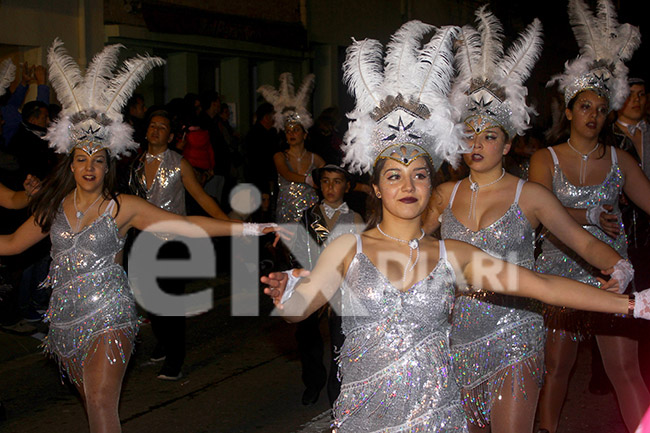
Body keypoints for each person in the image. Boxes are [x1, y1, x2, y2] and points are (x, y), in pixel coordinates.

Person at [262, 22, 650, 433]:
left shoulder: (453, 257)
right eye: (394, 176)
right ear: (375, 186)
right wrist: (286, 295)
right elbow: (297, 310)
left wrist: (633, 305)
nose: (408, 185)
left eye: (418, 175)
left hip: (438, 417)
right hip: (365, 419)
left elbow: (545, 287)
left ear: (432, 183)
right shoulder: (346, 249)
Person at [0, 39, 279, 433]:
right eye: (82, 159)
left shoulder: (123, 206)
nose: (90, 167)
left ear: (107, 162)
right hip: (65, 321)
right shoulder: (53, 206)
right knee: (94, 407)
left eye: (98, 159)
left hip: (111, 316)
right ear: (71, 163)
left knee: (100, 402)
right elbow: (10, 244)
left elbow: (186, 225)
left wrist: (247, 227)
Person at [423, 8, 631, 433]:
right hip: (459, 337)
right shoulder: (443, 196)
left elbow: (582, 241)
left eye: (490, 135)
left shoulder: (530, 196)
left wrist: (618, 264)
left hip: (517, 331)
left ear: (508, 142)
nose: (477, 142)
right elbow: (403, 241)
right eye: (470, 134)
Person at [528, 2, 650, 431]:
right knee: (556, 369)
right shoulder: (546, 158)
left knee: (625, 368)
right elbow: (540, 210)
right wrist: (588, 211)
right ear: (570, 109)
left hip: (609, 272)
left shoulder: (620, 160)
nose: (593, 116)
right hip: (559, 270)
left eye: (601, 109)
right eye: (585, 107)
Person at [128, 109, 229, 380]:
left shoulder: (179, 164)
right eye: (152, 125)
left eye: (162, 127)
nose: (155, 130)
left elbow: (202, 197)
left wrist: (228, 224)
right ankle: (163, 341)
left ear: (171, 136)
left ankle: (175, 358)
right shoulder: (136, 165)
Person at [291, 165, 364, 406]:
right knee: (308, 339)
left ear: (347, 186)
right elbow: (298, 252)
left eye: (336, 182)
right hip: (313, 286)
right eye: (325, 181)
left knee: (339, 345)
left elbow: (360, 258)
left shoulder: (355, 218)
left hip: (343, 290)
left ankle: (338, 397)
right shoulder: (308, 216)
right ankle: (313, 382)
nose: (330, 187)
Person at [258, 73, 325, 224]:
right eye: (288, 131)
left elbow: (328, 175)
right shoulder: (280, 156)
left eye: (295, 130)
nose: (291, 134)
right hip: (287, 212)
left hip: (311, 211)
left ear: (305, 134)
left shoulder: (315, 158)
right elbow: (287, 174)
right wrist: (309, 179)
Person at [244, 102, 280, 196]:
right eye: (273, 115)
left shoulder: (268, 133)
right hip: (260, 178)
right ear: (266, 117)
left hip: (260, 177)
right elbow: (264, 159)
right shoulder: (259, 135)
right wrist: (270, 177)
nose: (275, 119)